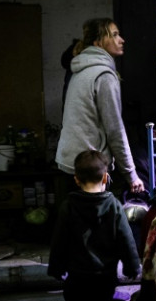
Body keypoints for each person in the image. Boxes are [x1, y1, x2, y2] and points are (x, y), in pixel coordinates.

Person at [48, 149, 141, 301]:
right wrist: (133, 266)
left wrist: (56, 267)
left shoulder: (68, 206)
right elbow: (126, 238)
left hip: (77, 275)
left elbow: (59, 240)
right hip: (105, 276)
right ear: (105, 178)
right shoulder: (113, 206)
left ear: (76, 179)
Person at [55, 18, 145, 194]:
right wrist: (131, 175)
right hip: (90, 168)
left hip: (68, 160)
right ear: (98, 42)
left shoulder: (81, 69)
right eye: (115, 35)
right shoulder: (103, 75)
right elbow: (114, 130)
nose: (122, 40)